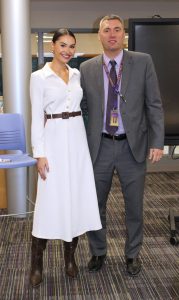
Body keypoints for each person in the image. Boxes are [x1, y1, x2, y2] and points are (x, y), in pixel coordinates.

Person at [80, 15, 164, 276]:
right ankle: (98, 251)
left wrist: (157, 142)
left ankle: (132, 255)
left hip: (132, 146)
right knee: (95, 204)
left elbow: (154, 105)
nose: (112, 34)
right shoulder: (87, 68)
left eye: (117, 29)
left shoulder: (143, 62)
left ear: (124, 34)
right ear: (100, 35)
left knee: (134, 206)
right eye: (107, 30)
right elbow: (81, 110)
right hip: (99, 147)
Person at [30, 28, 102, 287]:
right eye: (63, 45)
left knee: (75, 198)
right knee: (49, 202)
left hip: (77, 139)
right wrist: (39, 154)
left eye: (72, 46)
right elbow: (37, 118)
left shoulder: (76, 74)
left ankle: (69, 258)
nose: (68, 51)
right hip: (53, 140)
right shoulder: (39, 77)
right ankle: (36, 262)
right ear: (53, 46)